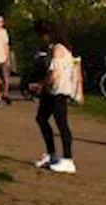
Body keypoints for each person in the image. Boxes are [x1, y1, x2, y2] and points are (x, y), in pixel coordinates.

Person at [32, 21, 79, 174]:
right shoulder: (54, 49)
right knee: (41, 118)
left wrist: (41, 85)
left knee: (62, 124)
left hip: (59, 90)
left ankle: (68, 158)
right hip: (51, 91)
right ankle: (51, 153)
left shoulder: (59, 49)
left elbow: (55, 74)